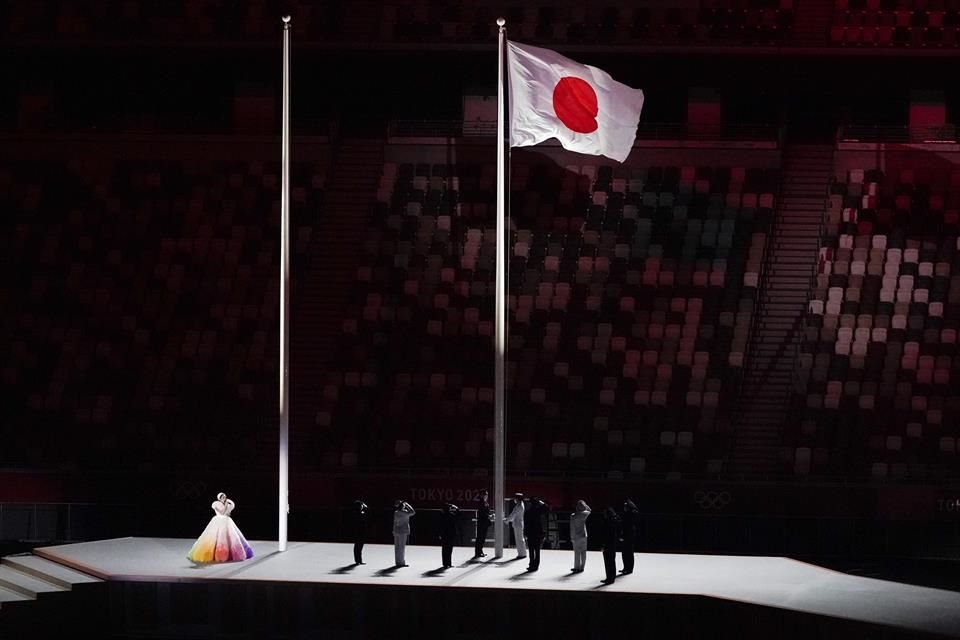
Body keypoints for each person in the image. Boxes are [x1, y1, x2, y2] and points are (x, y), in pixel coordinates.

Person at [187, 492, 254, 564]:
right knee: (215, 537)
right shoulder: (215, 504)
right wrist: (226, 506)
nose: (224, 498)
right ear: (219, 498)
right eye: (222, 497)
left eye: (225, 497)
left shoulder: (227, 504)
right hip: (218, 521)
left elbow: (228, 513)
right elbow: (221, 512)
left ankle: (230, 554)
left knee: (230, 537)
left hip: (227, 521)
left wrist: (229, 507)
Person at [598, 506, 621, 585]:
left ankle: (609, 578)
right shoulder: (615, 520)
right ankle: (612, 577)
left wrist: (603, 545)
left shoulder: (607, 522)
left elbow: (605, 535)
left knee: (608, 562)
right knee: (612, 561)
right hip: (613, 543)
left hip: (608, 544)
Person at [524, 496, 547, 571]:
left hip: (530, 533)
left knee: (531, 550)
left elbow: (526, 524)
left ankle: (531, 564)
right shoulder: (539, 510)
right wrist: (541, 502)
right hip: (538, 533)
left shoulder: (527, 512)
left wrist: (525, 533)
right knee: (537, 550)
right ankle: (536, 565)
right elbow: (547, 508)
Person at [569, 500, 591, 573]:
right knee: (583, 552)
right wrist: (585, 504)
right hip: (584, 535)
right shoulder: (584, 514)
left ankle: (576, 567)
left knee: (577, 552)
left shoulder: (573, 516)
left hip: (576, 536)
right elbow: (589, 510)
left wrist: (572, 537)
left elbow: (572, 528)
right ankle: (582, 567)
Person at [392, 499, 416, 567]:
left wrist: (393, 530)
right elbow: (413, 512)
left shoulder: (396, 512)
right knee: (402, 547)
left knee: (397, 547)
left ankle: (397, 562)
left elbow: (394, 522)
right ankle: (401, 562)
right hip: (402, 531)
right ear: (403, 507)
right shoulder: (405, 513)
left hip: (396, 531)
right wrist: (407, 505)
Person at [620, 499, 638, 575]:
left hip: (629, 535)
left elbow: (627, 527)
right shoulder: (626, 514)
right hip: (626, 535)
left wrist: (629, 502)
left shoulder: (631, 514)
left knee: (629, 552)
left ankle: (629, 569)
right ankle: (625, 567)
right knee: (624, 552)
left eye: (625, 506)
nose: (624, 508)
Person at [348, 499, 369, 564]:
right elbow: (367, 510)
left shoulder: (357, 513)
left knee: (358, 546)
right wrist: (364, 506)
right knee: (358, 546)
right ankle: (358, 560)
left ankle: (358, 560)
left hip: (359, 531)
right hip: (359, 531)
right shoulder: (359, 513)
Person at [507, 493, 526, 559]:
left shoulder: (518, 506)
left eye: (515, 498)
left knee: (519, 540)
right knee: (521, 539)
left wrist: (507, 520)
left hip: (518, 524)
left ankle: (521, 554)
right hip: (519, 524)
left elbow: (513, 515)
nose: (514, 500)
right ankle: (523, 553)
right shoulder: (521, 504)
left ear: (517, 499)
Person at [439, 502, 459, 568]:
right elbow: (459, 512)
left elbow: (440, 526)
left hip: (444, 534)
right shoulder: (452, 515)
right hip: (451, 534)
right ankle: (449, 563)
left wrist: (440, 534)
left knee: (444, 549)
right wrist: (455, 507)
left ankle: (445, 563)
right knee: (449, 549)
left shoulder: (442, 515)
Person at [474, 490, 491, 558]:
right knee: (480, 538)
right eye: (485, 494)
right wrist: (488, 515)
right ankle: (478, 552)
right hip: (482, 522)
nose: (486, 496)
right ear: (482, 495)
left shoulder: (485, 502)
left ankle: (480, 551)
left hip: (484, 522)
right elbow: (483, 513)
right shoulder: (481, 502)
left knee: (482, 538)